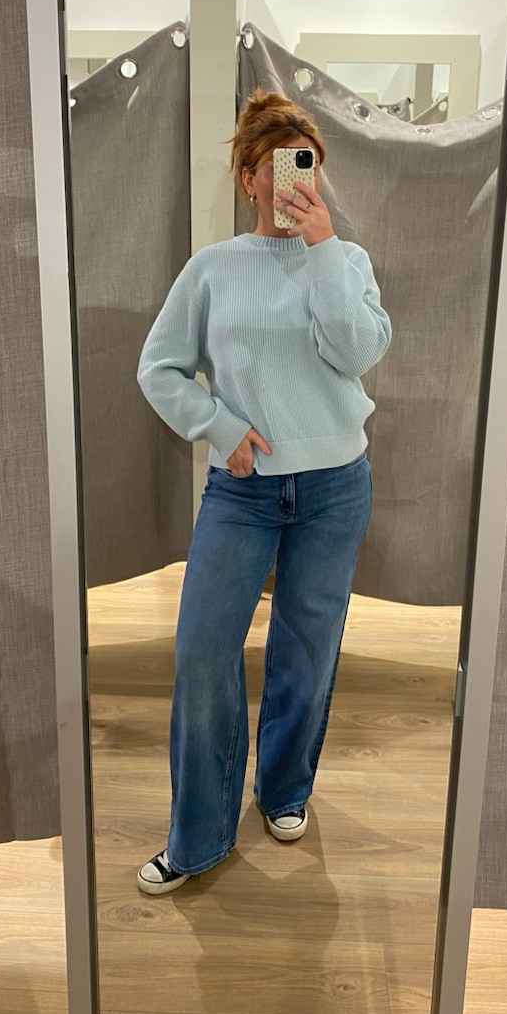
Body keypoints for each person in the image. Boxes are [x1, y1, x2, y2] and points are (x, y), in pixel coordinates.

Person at [134, 88, 392, 894]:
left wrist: (323, 248)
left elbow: (357, 354)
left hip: (335, 486)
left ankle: (283, 789)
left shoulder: (345, 261)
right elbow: (158, 368)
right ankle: (197, 836)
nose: (293, 180)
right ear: (249, 176)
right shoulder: (211, 270)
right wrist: (219, 426)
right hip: (242, 491)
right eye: (278, 166)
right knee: (203, 652)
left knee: (307, 649)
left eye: (306, 165)